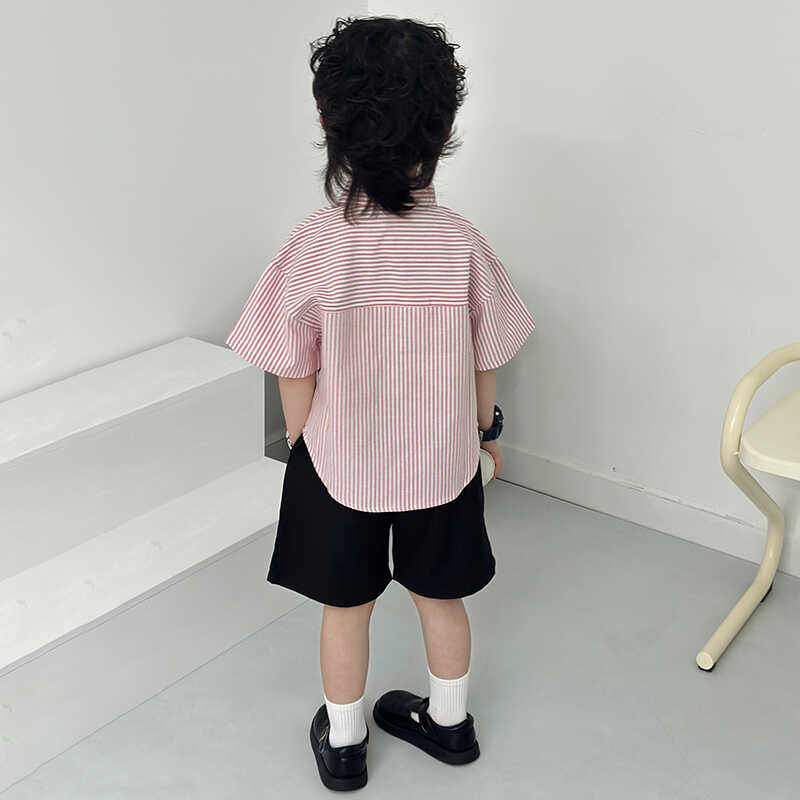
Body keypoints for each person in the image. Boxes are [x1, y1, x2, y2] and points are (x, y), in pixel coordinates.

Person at [225, 15, 535, 792]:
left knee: (346, 608)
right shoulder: (462, 242)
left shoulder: (313, 244)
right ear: (447, 126)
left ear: (327, 121)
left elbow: (290, 363)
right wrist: (485, 431)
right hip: (443, 463)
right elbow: (488, 357)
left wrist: (305, 442)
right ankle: (451, 724)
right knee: (442, 597)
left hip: (338, 464)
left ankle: (345, 741)